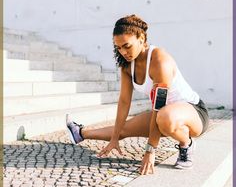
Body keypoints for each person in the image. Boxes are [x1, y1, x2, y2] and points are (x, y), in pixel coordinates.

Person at [66, 14, 209, 175]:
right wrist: (114, 138)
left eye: (127, 46)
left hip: (193, 113)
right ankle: (80, 133)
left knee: (165, 116)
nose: (123, 52)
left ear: (141, 38)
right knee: (122, 130)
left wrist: (150, 151)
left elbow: (159, 105)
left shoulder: (159, 61)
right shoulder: (127, 65)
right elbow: (124, 101)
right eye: (118, 47)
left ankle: (186, 144)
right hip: (163, 113)